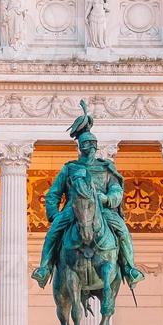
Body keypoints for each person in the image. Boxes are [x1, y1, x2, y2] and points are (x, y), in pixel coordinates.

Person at [32, 102, 144, 288]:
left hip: (102, 210)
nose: (91, 148)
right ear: (80, 147)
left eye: (93, 144)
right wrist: (55, 215)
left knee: (123, 231)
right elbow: (53, 194)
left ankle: (130, 268)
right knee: (52, 233)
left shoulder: (105, 168)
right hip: (74, 210)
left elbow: (116, 190)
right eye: (87, 144)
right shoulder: (70, 168)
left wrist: (108, 199)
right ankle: (44, 269)